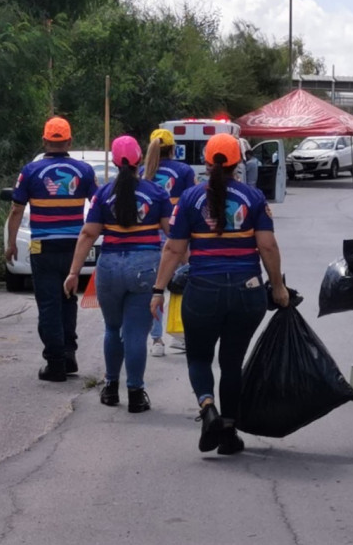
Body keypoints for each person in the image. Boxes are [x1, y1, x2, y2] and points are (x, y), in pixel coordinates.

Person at [150, 133, 289, 455]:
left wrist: (158, 290)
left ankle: (207, 406)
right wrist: (278, 287)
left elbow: (173, 249)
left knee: (199, 357)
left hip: (202, 292)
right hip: (247, 292)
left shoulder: (189, 198)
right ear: (239, 161)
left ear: (207, 162)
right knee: (231, 362)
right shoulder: (253, 197)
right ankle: (228, 430)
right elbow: (267, 245)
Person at [64, 136, 172, 413]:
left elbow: (88, 233)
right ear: (139, 161)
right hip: (146, 267)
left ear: (113, 161)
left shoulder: (103, 195)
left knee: (112, 329)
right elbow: (173, 234)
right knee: (136, 334)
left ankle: (111, 389)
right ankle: (136, 394)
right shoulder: (157, 193)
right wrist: (188, 259)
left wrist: (74, 272)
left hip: (109, 267)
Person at [5, 117, 97, 382]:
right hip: (73, 248)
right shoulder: (84, 171)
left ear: (45, 140)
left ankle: (55, 362)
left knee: (48, 305)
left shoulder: (30, 171)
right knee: (68, 300)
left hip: (42, 248)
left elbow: (16, 209)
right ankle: (68, 354)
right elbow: (98, 205)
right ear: (69, 140)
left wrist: (12, 243)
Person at [141, 128, 196, 357]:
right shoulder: (184, 171)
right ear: (173, 149)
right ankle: (181, 336)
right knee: (182, 286)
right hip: (179, 238)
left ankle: (156, 341)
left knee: (157, 289)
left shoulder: (143, 172)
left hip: (152, 239)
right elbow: (193, 203)